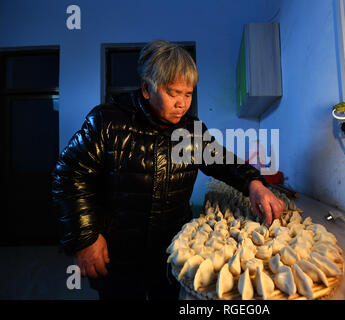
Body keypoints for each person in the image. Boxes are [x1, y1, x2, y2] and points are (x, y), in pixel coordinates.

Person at [52, 40, 284, 300]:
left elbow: (225, 162)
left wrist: (255, 183)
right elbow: (69, 175)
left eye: (188, 94)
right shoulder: (107, 122)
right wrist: (85, 238)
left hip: (172, 250)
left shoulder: (191, 132)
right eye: (173, 93)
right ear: (147, 89)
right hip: (118, 254)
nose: (182, 104)